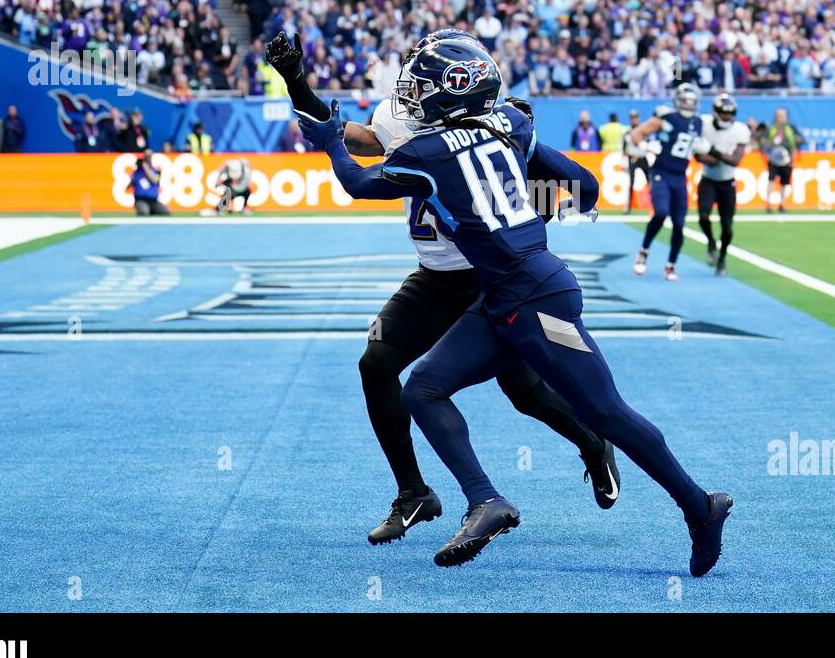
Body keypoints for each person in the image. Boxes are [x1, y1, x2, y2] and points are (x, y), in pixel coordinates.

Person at [295, 34, 732, 575]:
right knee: (423, 388)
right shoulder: (512, 125)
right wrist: (537, 206)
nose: (410, 93)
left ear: (451, 95)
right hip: (502, 292)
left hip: (534, 294)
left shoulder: (427, 151)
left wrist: (331, 140)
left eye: (422, 86)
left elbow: (358, 181)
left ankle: (699, 506)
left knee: (605, 412)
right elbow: (584, 186)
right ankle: (485, 501)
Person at [265, 29, 621, 545]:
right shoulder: (403, 115)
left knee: (524, 390)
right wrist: (296, 81)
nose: (407, 83)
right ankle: (414, 493)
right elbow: (346, 135)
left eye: (418, 71)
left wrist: (537, 215)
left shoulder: (492, 122)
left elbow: (560, 190)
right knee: (376, 364)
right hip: (434, 275)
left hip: (489, 275)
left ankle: (592, 443)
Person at [629, 83, 704, 280]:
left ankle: (671, 265)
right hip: (662, 172)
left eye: (692, 102)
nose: (688, 105)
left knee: (679, 224)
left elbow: (695, 147)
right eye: (685, 101)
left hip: (680, 175)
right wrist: (646, 146)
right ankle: (643, 250)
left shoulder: (698, 122)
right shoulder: (666, 118)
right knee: (661, 212)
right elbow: (636, 133)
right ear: (678, 100)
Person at [695, 93, 750, 276]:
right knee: (703, 216)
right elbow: (697, 154)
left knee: (727, 226)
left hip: (727, 182)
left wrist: (712, 152)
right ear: (716, 112)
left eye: (730, 113)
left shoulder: (740, 130)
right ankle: (711, 242)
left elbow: (735, 160)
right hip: (708, 179)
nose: (727, 116)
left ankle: (722, 258)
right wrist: (715, 157)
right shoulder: (704, 124)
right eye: (723, 113)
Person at [763, 107, 805, 214]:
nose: (780, 118)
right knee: (771, 180)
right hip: (773, 159)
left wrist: (798, 141)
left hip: (787, 159)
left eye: (782, 115)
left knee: (784, 183)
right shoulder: (771, 128)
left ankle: (782, 203)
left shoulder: (791, 129)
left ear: (786, 117)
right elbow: (764, 141)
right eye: (778, 115)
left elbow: (801, 139)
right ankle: (768, 203)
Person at [622, 108, 649, 214]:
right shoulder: (627, 132)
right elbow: (624, 148)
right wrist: (624, 160)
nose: (634, 120)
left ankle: (655, 204)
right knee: (631, 182)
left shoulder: (644, 130)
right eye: (632, 118)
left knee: (650, 180)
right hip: (632, 158)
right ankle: (628, 207)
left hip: (642, 157)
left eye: (635, 118)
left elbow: (648, 143)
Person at [129, 151, 170, 216]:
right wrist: (131, 178)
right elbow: (129, 186)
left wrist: (146, 168)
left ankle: (152, 210)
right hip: (141, 200)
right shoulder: (137, 172)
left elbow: (154, 180)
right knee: (143, 212)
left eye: (149, 157)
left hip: (154, 201)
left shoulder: (156, 171)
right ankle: (147, 210)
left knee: (165, 212)